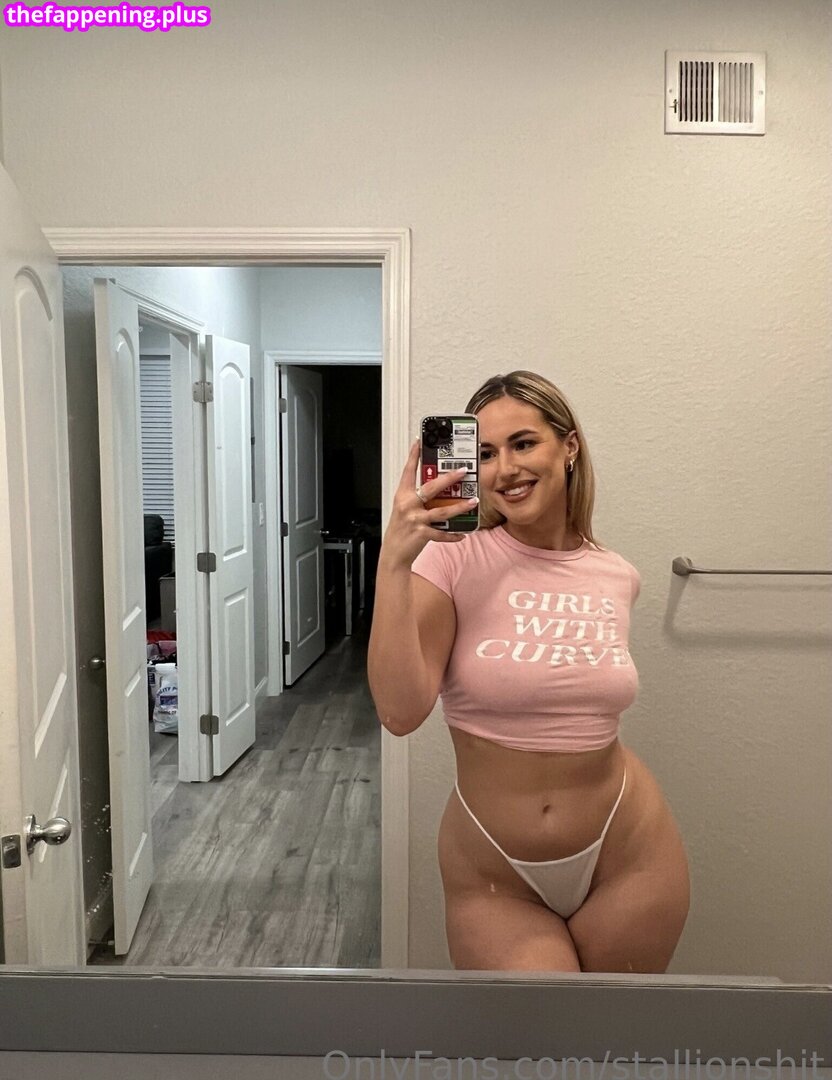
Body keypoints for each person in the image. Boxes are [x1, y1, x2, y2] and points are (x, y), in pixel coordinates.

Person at [367, 371, 690, 973]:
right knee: (538, 1032)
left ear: (568, 446)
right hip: (496, 870)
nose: (505, 469)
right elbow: (399, 712)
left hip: (629, 851)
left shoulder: (617, 574)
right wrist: (394, 560)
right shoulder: (451, 560)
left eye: (523, 443)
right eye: (486, 453)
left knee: (619, 1030)